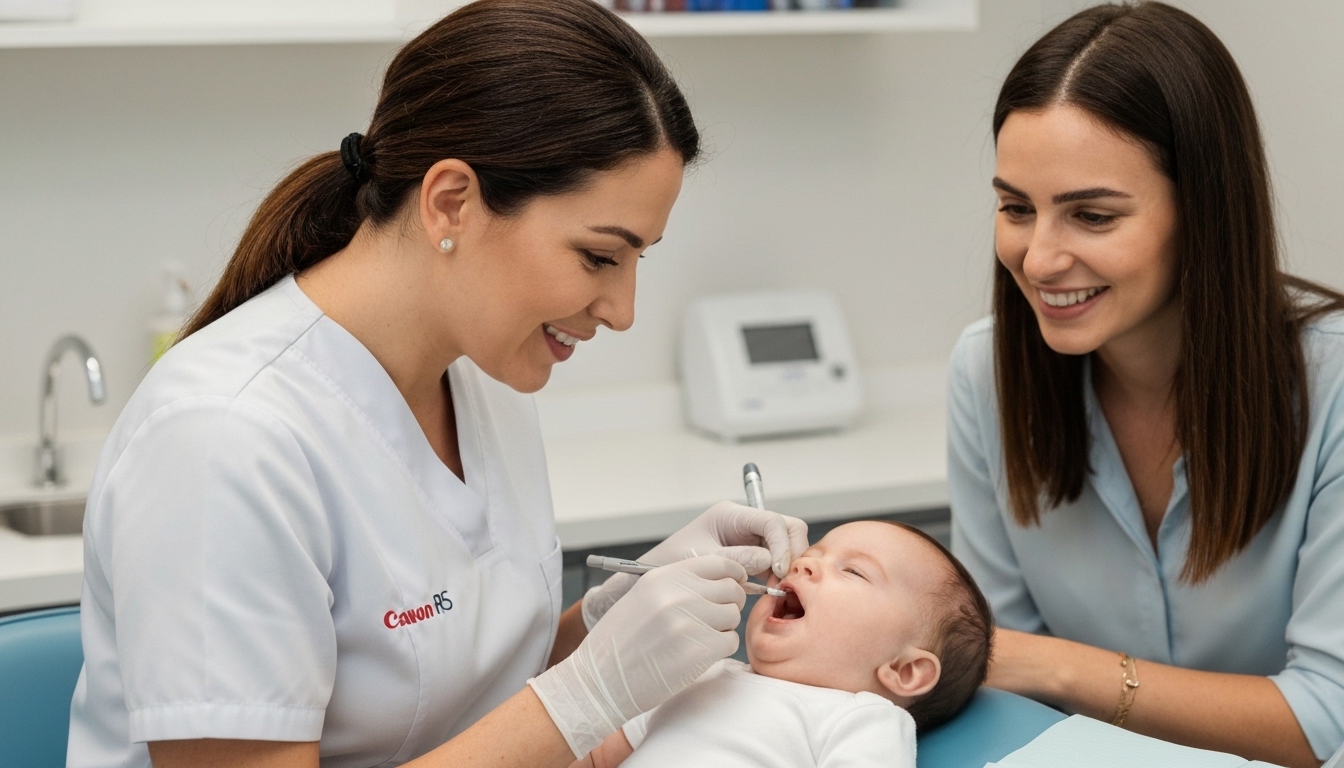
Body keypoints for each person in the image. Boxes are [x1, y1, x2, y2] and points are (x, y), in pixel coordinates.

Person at [65, 2, 808, 767]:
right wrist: (593, 692)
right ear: (451, 200)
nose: (621, 312)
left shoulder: (482, 376)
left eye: (637, 259)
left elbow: (465, 694)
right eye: (597, 257)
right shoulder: (223, 437)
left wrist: (612, 618)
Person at [948, 3, 1344, 768]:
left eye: (1091, 215)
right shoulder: (985, 371)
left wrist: (1057, 665)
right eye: (1016, 209)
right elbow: (993, 683)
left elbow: (1332, 722)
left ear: (1203, 211)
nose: (1038, 259)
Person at [571, 520, 994, 768]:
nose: (802, 563)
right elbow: (595, 757)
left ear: (903, 671)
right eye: (813, 553)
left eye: (853, 572)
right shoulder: (704, 674)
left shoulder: (861, 717)